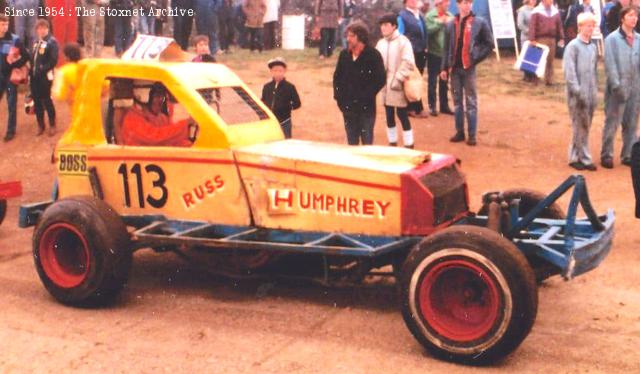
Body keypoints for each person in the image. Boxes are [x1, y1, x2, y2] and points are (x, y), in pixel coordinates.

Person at [440, 0, 493, 146]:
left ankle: (472, 135)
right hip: (454, 69)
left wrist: (475, 57)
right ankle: (459, 132)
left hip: (468, 68)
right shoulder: (451, 24)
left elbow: (489, 44)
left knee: (471, 102)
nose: (467, 5)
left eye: (469, 2)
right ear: (458, 4)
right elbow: (446, 48)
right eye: (464, 2)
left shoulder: (479, 22)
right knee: (457, 102)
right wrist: (444, 68)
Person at [333, 22, 385, 145]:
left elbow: (380, 79)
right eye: (347, 36)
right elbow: (337, 77)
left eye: (351, 36)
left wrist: (366, 96)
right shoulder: (344, 55)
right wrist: (339, 98)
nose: (348, 39)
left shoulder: (373, 55)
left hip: (366, 109)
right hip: (348, 109)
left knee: (367, 144)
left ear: (360, 37)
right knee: (352, 144)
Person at [601, 6, 640, 169]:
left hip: (635, 87)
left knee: (631, 123)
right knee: (612, 122)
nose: (634, 19)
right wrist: (617, 86)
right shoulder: (612, 39)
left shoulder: (639, 39)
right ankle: (607, 155)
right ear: (622, 18)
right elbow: (610, 64)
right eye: (630, 15)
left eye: (636, 16)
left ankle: (628, 154)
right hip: (617, 88)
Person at [563, 13, 598, 171]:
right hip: (577, 94)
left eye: (592, 26)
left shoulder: (592, 47)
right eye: (587, 26)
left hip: (590, 92)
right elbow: (569, 73)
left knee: (586, 124)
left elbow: (593, 71)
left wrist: (594, 91)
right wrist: (577, 91)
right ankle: (581, 157)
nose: (590, 29)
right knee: (579, 124)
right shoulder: (573, 46)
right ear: (580, 27)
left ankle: (578, 155)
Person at [375, 14, 415, 148]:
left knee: (402, 114)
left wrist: (398, 79)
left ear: (394, 26)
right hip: (384, 85)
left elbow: (409, 62)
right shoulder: (380, 43)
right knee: (389, 114)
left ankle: (409, 144)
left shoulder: (403, 42)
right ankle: (392, 143)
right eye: (382, 25)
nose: (383, 28)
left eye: (386, 25)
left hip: (399, 84)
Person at [121, 83, 192, 146]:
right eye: (157, 96)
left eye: (163, 96)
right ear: (145, 98)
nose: (161, 100)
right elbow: (155, 137)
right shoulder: (132, 119)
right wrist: (184, 124)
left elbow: (170, 140)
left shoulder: (162, 118)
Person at [0, 13, 30, 142]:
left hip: (10, 78)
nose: (4, 27)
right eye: (2, 24)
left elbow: (26, 56)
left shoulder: (14, 39)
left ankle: (10, 131)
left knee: (12, 104)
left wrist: (14, 65)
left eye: (6, 24)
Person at [398, 0, 429, 118]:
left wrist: (425, 46)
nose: (414, 1)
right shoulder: (402, 16)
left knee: (417, 78)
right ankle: (413, 108)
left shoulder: (419, 15)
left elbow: (423, 33)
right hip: (410, 52)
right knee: (411, 79)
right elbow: (400, 35)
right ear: (405, 2)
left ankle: (414, 107)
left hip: (421, 51)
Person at [30, 19, 58, 136]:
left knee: (47, 100)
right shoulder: (36, 42)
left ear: (47, 29)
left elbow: (53, 61)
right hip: (34, 77)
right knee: (36, 102)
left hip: (45, 77)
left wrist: (42, 69)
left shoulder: (52, 42)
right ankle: (40, 125)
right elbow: (33, 58)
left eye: (43, 28)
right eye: (39, 28)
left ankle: (52, 125)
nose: (41, 30)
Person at [425, 0, 454, 116]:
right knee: (432, 80)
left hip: (446, 54)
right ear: (439, 4)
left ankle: (444, 106)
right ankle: (432, 106)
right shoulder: (430, 16)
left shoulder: (450, 16)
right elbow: (428, 31)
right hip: (433, 53)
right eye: (446, 2)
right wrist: (440, 23)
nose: (448, 4)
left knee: (444, 80)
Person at [261, 57, 301, 139]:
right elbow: (263, 101)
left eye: (280, 71)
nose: (277, 73)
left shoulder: (289, 87)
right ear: (271, 71)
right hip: (270, 121)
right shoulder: (267, 87)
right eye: (275, 71)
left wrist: (287, 108)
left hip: (284, 121)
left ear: (285, 71)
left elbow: (297, 103)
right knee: (269, 141)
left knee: (285, 142)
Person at [529, 0, 565, 86]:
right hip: (540, 38)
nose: (551, 1)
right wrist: (532, 39)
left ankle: (549, 80)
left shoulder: (555, 11)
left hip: (552, 39)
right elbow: (532, 26)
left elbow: (559, 25)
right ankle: (535, 80)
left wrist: (562, 37)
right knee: (538, 60)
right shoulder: (536, 11)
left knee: (550, 60)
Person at [52, 43, 82, 109]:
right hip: (95, 115)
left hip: (78, 114)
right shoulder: (88, 68)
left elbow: (59, 95)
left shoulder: (63, 71)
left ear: (67, 57)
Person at [517, 0, 536, 82]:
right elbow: (520, 24)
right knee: (526, 55)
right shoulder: (522, 10)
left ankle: (533, 74)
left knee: (534, 56)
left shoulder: (536, 10)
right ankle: (526, 75)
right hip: (525, 37)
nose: (534, 1)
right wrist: (529, 31)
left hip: (535, 37)